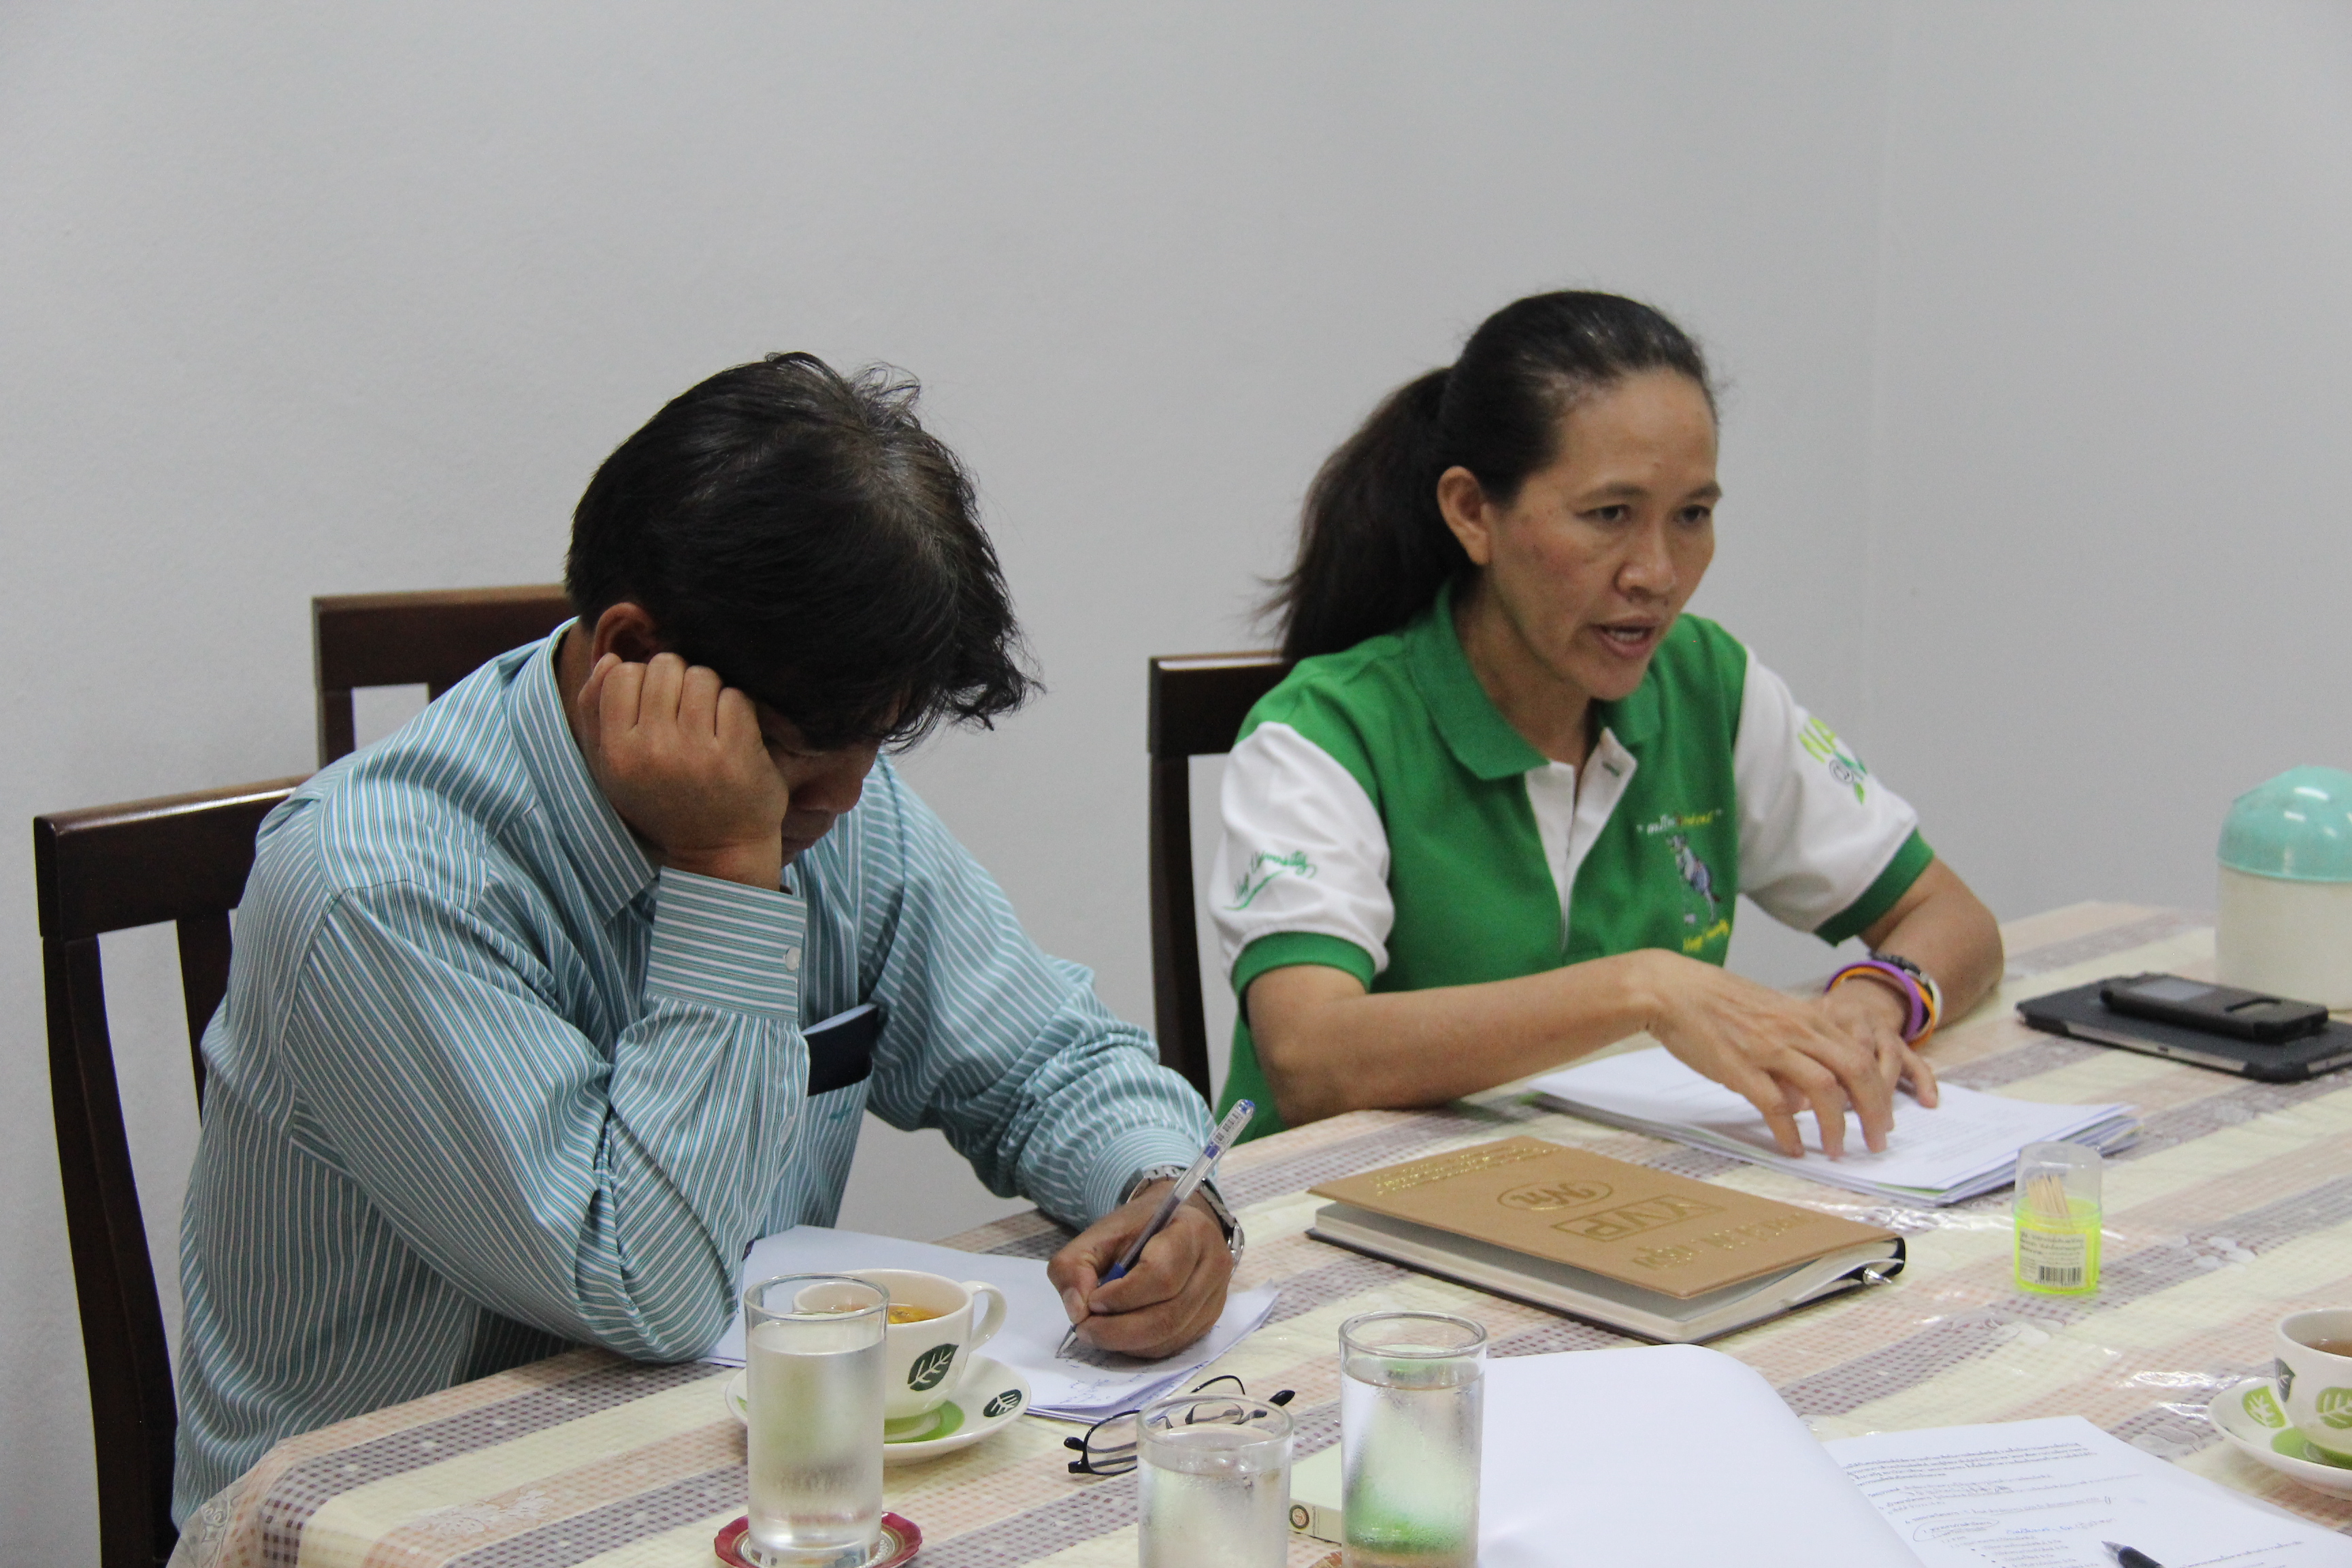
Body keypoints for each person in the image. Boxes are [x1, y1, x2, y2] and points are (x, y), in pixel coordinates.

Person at [172, 354, 1235, 1520]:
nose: (844, 796)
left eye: (875, 745)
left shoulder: (836, 803)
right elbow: (647, 1287)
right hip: (377, 1518)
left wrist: (1163, 1192)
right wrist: (727, 867)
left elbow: (1048, 1059)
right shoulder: (376, 884)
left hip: (712, 1463)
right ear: (631, 656)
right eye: (800, 751)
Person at [1211, 291, 2004, 1152]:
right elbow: (1310, 1056)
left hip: (1605, 1193)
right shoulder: (1327, 730)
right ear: (1473, 512)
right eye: (1609, 516)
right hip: (1346, 1208)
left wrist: (1877, 998)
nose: (1656, 574)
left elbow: (1951, 916)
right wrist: (1644, 990)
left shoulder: (1707, 686)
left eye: (1692, 515)